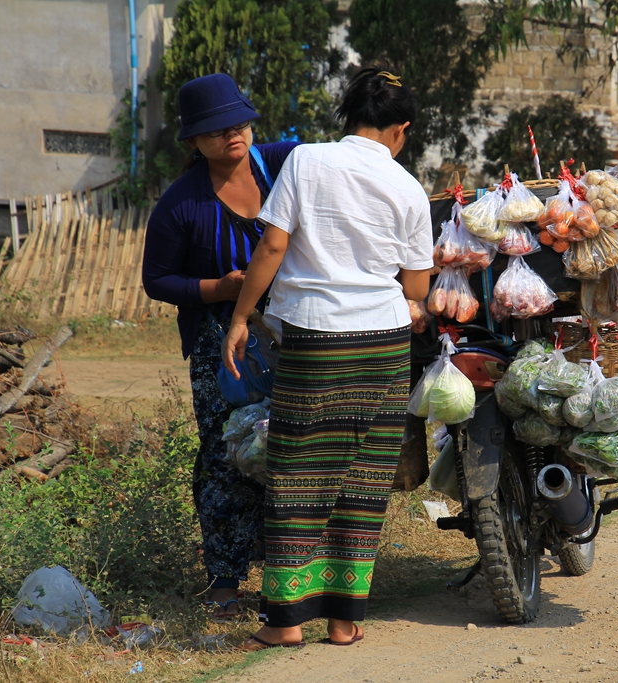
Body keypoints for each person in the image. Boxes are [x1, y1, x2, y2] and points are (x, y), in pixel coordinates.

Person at [221, 67, 432, 650]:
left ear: (349, 117)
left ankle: (286, 622)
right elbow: (415, 288)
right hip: (384, 345)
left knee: (297, 475)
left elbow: (272, 244)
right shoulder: (409, 187)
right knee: (363, 480)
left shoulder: (306, 161)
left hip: (317, 339)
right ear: (400, 130)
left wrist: (241, 317)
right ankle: (343, 622)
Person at [142, 73, 300, 621]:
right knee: (227, 451)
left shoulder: (284, 163)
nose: (231, 136)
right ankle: (226, 583)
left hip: (294, 327)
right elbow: (157, 280)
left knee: (298, 446)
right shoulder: (180, 204)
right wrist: (222, 289)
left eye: (238, 123)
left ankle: (294, 574)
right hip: (221, 345)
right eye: (215, 131)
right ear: (194, 143)